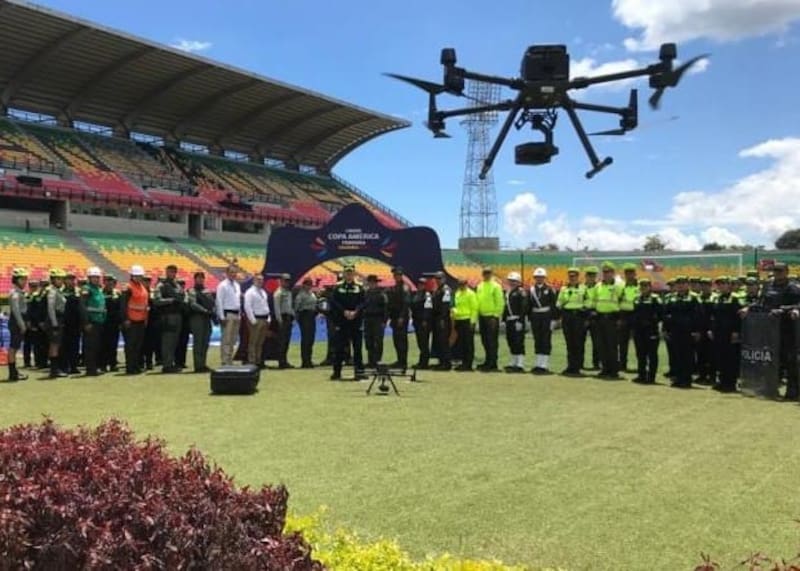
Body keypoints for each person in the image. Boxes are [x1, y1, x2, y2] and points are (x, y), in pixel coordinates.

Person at [744, 262, 800, 400]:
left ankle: (792, 392)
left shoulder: (793, 288)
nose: (777, 273)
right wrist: (748, 308)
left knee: (790, 361)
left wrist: (784, 310)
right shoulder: (767, 285)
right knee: (768, 360)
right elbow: (761, 302)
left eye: (780, 270)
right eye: (775, 270)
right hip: (768, 329)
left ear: (787, 271)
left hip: (787, 330)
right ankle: (768, 388)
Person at [662, 276, 702, 388]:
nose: (680, 285)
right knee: (676, 356)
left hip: (688, 332)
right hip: (675, 331)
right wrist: (665, 329)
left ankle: (686, 379)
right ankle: (678, 379)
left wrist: (697, 331)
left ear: (687, 285)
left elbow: (698, 316)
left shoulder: (694, 298)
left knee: (687, 356)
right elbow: (666, 314)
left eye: (683, 283)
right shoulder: (672, 298)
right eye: (678, 283)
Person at [329, 264, 365, 380]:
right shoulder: (337, 287)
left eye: (351, 272)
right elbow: (334, 302)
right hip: (342, 321)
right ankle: (337, 372)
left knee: (357, 348)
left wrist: (356, 311)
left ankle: (359, 372)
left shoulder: (360, 287)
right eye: (347, 272)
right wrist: (344, 311)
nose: (349, 275)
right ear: (343, 274)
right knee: (339, 347)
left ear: (354, 273)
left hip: (356, 321)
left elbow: (363, 302)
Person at [588, 262, 624, 379]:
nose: (606, 274)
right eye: (604, 272)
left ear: (613, 273)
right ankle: (605, 369)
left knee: (612, 346)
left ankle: (614, 370)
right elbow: (593, 301)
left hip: (612, 319)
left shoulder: (619, 286)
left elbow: (623, 302)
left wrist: (620, 318)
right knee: (601, 345)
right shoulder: (598, 286)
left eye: (608, 272)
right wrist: (593, 316)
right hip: (600, 319)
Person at [709, 276, 741, 393]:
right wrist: (711, 330)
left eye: (723, 283)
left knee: (730, 359)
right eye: (719, 284)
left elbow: (738, 317)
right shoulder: (717, 298)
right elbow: (713, 317)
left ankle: (730, 383)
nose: (721, 286)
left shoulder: (735, 298)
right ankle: (722, 381)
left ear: (729, 285)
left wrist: (736, 331)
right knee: (720, 358)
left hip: (730, 333)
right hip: (718, 332)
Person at [556, 267, 587, 376]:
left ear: (578, 276)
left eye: (574, 276)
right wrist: (562, 304)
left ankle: (577, 367)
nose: (572, 278)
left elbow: (587, 302)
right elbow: (559, 303)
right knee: (569, 343)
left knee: (578, 343)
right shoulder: (564, 289)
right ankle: (570, 366)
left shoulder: (584, 288)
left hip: (579, 316)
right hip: (567, 316)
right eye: (570, 276)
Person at [153, 264, 184, 373]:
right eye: (170, 271)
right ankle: (166, 364)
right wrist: (170, 300)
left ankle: (171, 363)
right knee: (167, 341)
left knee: (174, 341)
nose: (171, 273)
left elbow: (182, 296)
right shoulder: (161, 285)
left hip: (177, 315)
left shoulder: (177, 285)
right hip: (167, 316)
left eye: (173, 272)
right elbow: (156, 300)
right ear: (166, 272)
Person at [631, 278, 662, 384]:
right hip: (639, 331)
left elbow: (661, 315)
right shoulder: (636, 299)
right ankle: (641, 375)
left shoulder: (655, 299)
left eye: (645, 286)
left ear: (650, 287)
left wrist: (652, 322)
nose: (643, 288)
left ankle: (651, 377)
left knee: (652, 354)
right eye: (641, 286)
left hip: (651, 331)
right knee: (640, 354)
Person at [120, 265, 149, 375]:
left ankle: (136, 366)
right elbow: (123, 305)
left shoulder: (142, 287)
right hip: (131, 321)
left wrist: (145, 318)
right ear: (132, 276)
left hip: (141, 320)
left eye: (140, 276)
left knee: (138, 346)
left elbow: (145, 304)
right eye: (136, 276)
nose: (138, 278)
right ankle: (130, 367)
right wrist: (125, 319)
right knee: (130, 346)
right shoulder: (128, 287)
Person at [79, 267, 107, 377]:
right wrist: (86, 322)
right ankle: (90, 369)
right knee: (90, 347)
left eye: (97, 277)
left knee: (97, 346)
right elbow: (82, 306)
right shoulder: (86, 289)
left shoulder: (98, 289)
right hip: (91, 321)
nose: (96, 279)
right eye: (93, 277)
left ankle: (95, 367)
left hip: (99, 321)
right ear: (89, 278)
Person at [529, 267, 557, 374]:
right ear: (535, 278)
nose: (539, 279)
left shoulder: (550, 289)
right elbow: (529, 305)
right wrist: (529, 318)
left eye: (541, 277)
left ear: (544, 278)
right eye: (537, 277)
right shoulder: (531, 290)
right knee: (537, 339)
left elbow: (554, 305)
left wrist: (554, 319)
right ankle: (537, 364)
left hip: (546, 316)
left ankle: (544, 365)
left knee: (545, 339)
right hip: (536, 316)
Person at [186, 271, 215, 373]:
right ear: (195, 279)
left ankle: (203, 363)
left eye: (202, 278)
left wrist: (212, 311)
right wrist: (205, 311)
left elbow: (212, 303)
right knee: (198, 342)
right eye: (198, 278)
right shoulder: (192, 291)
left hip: (207, 318)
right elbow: (193, 304)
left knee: (205, 342)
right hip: (197, 318)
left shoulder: (207, 291)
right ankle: (198, 365)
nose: (200, 279)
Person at [476, 267, 503, 372]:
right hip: (482, 316)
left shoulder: (496, 286)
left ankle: (493, 363)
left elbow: (500, 302)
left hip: (491, 317)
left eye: (488, 273)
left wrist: (496, 316)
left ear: (491, 274)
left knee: (492, 341)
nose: (486, 275)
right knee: (485, 340)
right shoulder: (480, 286)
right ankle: (487, 361)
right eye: (484, 273)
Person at [215, 265, 242, 366]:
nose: (233, 274)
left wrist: (239, 314)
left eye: (235, 272)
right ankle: (225, 360)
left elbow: (238, 301)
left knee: (233, 339)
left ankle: (230, 359)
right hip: (228, 314)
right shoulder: (222, 285)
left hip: (236, 314)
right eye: (231, 272)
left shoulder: (237, 285)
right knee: (226, 339)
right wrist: (221, 316)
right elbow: (219, 301)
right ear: (227, 273)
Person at [387, 266, 412, 369]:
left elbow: (406, 304)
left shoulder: (404, 287)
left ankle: (403, 362)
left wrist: (401, 317)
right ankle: (399, 360)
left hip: (401, 317)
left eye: (398, 275)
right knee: (396, 340)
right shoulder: (395, 287)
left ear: (401, 275)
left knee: (402, 340)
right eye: (395, 275)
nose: (396, 276)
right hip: (395, 317)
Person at [7, 268, 29, 382]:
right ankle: (12, 373)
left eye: (25, 279)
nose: (24, 281)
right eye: (22, 279)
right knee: (13, 347)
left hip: (18, 320)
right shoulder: (15, 293)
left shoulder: (19, 292)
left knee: (15, 347)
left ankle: (14, 371)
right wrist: (22, 325)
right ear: (16, 280)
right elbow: (16, 311)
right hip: (17, 321)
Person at [244, 274, 271, 368]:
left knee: (260, 342)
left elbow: (266, 305)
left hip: (264, 319)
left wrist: (269, 317)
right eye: (258, 279)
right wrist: (252, 320)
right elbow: (247, 307)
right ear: (254, 280)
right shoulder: (250, 292)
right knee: (253, 342)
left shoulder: (263, 292)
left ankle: (258, 361)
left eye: (262, 280)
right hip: (256, 319)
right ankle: (252, 361)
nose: (261, 281)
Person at [45, 268, 68, 379]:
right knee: (54, 345)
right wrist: (54, 324)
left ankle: (55, 369)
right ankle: (54, 370)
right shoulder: (52, 291)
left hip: (58, 319)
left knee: (56, 344)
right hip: (55, 319)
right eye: (58, 279)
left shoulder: (57, 290)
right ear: (53, 280)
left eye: (62, 279)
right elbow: (51, 308)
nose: (61, 281)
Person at [504, 272, 528, 373]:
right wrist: (504, 319)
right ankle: (513, 361)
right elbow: (506, 308)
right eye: (510, 281)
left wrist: (520, 321)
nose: (512, 283)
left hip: (517, 319)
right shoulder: (508, 292)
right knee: (511, 340)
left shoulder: (521, 292)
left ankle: (520, 363)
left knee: (519, 341)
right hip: (509, 320)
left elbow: (524, 307)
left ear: (518, 282)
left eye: (514, 281)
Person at [362, 275, 388, 368]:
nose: (372, 284)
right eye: (370, 282)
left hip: (378, 319)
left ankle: (378, 360)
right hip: (368, 319)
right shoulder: (366, 293)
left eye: (374, 282)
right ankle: (370, 361)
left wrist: (384, 321)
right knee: (368, 340)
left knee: (378, 340)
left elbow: (385, 309)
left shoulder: (381, 294)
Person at [452, 278, 477, 371]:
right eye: (460, 284)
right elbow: (456, 305)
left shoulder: (471, 294)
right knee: (461, 343)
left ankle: (468, 364)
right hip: (459, 320)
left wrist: (472, 321)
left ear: (467, 284)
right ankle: (463, 362)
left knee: (468, 343)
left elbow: (474, 308)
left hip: (467, 320)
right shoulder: (457, 293)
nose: (461, 286)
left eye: (463, 284)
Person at [618, 263, 639, 372]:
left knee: (639, 341)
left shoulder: (640, 286)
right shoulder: (620, 286)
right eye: (627, 273)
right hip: (624, 315)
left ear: (635, 274)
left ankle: (641, 365)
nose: (629, 275)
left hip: (636, 316)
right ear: (625, 274)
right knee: (622, 342)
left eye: (631, 273)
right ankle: (622, 364)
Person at [294, 277, 318, 368]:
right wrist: (298, 317)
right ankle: (305, 361)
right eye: (307, 284)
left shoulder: (312, 294)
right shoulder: (301, 295)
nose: (309, 286)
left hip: (312, 315)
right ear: (304, 285)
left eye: (310, 285)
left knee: (311, 338)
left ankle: (309, 359)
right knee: (306, 339)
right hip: (304, 315)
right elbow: (297, 307)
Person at [431, 271, 453, 371]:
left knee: (443, 341)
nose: (437, 280)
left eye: (439, 278)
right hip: (436, 318)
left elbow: (445, 305)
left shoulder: (446, 289)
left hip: (442, 318)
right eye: (436, 279)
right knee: (439, 341)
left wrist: (443, 319)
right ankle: (441, 361)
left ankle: (446, 363)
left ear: (444, 279)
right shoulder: (438, 289)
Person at [273, 273, 295, 369]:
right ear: (280, 281)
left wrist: (293, 316)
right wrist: (279, 320)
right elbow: (277, 308)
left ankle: (285, 360)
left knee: (286, 341)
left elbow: (290, 306)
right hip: (282, 318)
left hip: (289, 318)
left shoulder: (288, 292)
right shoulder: (278, 293)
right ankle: (281, 362)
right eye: (285, 280)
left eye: (288, 280)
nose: (287, 282)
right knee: (282, 341)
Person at [60, 272, 81, 375]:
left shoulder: (78, 292)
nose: (71, 281)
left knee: (75, 345)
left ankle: (74, 366)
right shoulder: (60, 292)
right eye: (69, 279)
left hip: (76, 323)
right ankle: (64, 367)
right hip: (64, 323)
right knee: (64, 346)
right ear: (65, 280)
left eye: (73, 279)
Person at [100, 275, 121, 372]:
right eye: (107, 281)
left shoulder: (117, 293)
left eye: (111, 281)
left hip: (114, 323)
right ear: (104, 282)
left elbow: (121, 308)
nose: (109, 283)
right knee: (103, 345)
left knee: (113, 344)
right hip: (103, 322)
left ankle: (113, 364)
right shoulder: (100, 293)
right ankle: (103, 365)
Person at [412, 277, 433, 369]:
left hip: (424, 322)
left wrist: (425, 319)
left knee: (424, 342)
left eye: (422, 284)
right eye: (419, 284)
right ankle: (421, 361)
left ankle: (424, 363)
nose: (420, 285)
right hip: (417, 321)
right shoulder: (417, 294)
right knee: (420, 342)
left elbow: (428, 308)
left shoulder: (427, 295)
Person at [582, 266, 601, 370]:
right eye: (589, 275)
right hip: (583, 315)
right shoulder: (581, 287)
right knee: (580, 341)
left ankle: (597, 363)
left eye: (593, 275)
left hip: (595, 315)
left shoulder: (599, 287)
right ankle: (579, 362)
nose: (591, 277)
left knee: (597, 341)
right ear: (585, 276)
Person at [174, 277, 190, 370]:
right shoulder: (177, 296)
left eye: (183, 284)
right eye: (180, 284)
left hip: (185, 322)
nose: (182, 286)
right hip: (179, 321)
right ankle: (177, 361)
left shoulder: (186, 294)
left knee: (184, 343)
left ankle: (182, 361)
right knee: (177, 343)